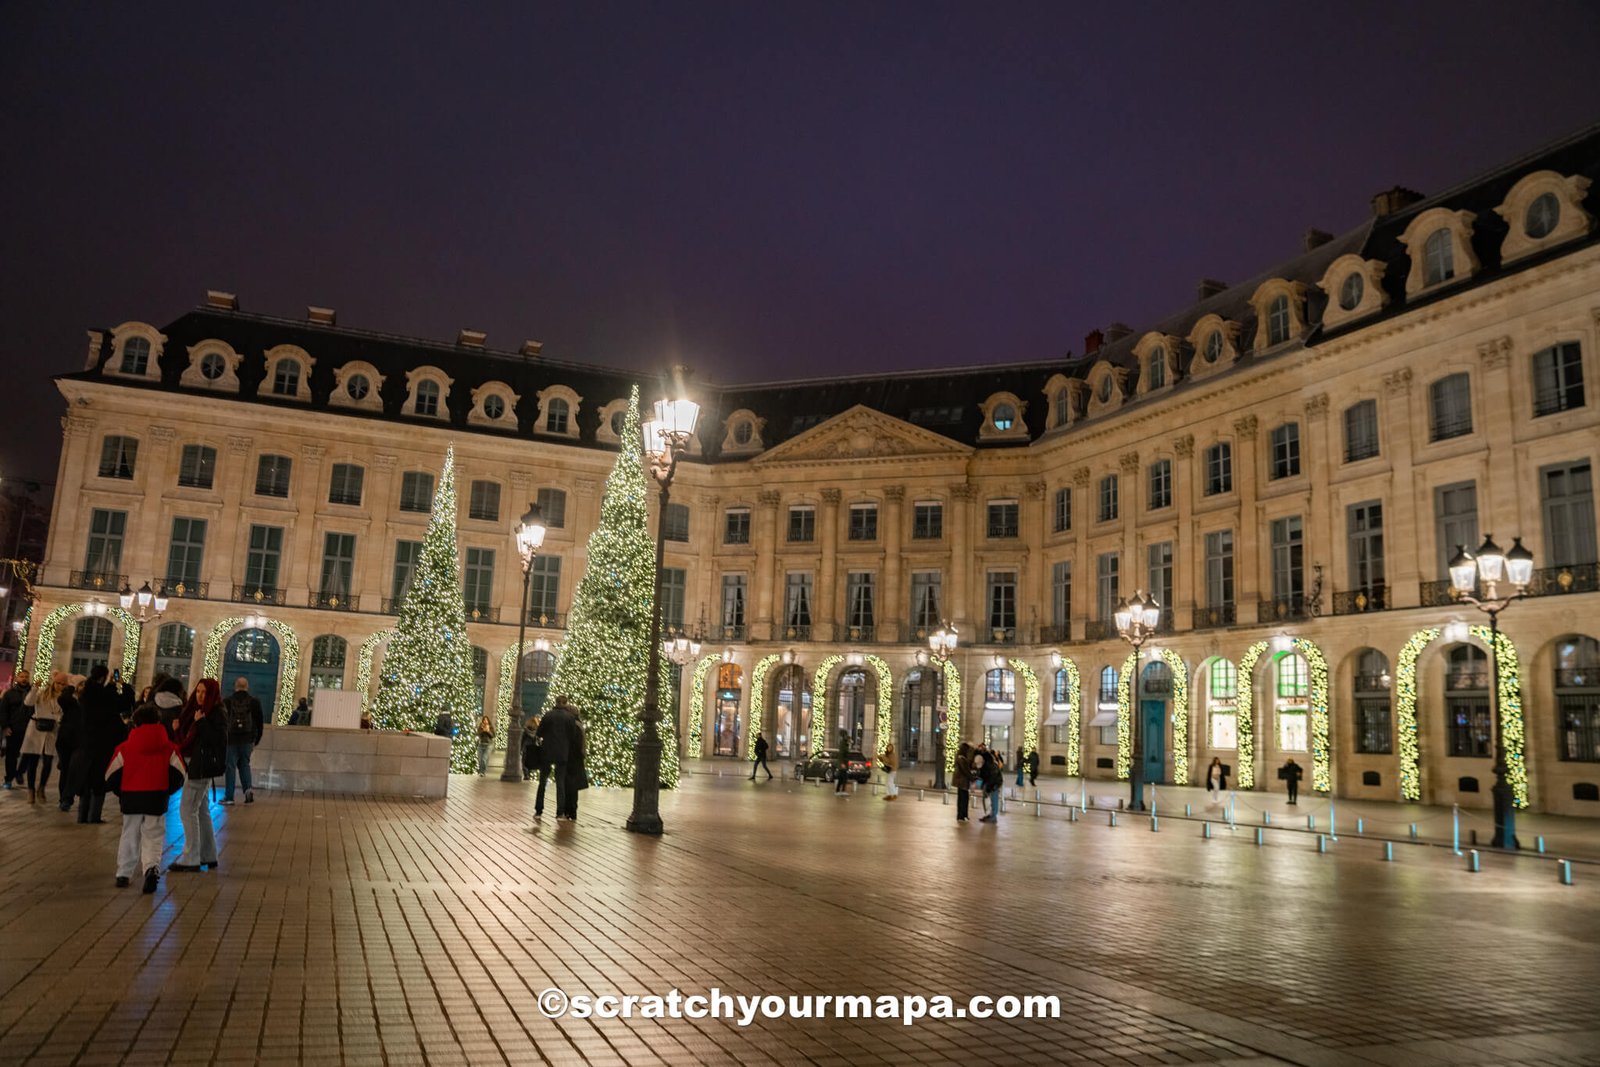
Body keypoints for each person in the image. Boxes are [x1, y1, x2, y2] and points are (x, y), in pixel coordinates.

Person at [105, 704, 186, 893]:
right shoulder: (169, 747)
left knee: (129, 833)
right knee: (154, 835)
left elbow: (110, 775)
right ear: (158, 722)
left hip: (131, 796)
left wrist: (121, 791)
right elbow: (180, 773)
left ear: (135, 724)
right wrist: (167, 789)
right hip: (157, 796)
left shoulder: (124, 747)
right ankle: (151, 868)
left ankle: (123, 873)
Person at [171, 678, 226, 872]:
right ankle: (208, 855)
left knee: (187, 810)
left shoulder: (216, 713)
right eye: (198, 691)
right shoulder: (200, 712)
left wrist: (201, 722)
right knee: (201, 811)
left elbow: (216, 741)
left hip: (201, 768)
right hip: (196, 765)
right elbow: (186, 743)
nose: (200, 696)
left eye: (204, 692)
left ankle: (191, 857)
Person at [73, 665, 131, 823]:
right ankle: (94, 816)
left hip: (87, 742)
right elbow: (125, 702)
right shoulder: (106, 694)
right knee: (99, 779)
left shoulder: (86, 693)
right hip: (103, 742)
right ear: (104, 677)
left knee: (86, 777)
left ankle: (82, 816)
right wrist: (119, 683)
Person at [18, 671, 68, 804]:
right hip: (36, 729)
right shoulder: (42, 693)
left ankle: (41, 788)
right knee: (32, 762)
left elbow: (64, 714)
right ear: (53, 682)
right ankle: (30, 790)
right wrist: (34, 688)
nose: (60, 686)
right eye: (58, 683)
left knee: (47, 762)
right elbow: (28, 702)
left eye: (63, 684)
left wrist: (57, 718)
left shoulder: (65, 697)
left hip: (52, 731)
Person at [221, 677, 264, 804]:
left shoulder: (227, 701)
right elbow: (259, 722)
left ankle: (229, 797)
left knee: (230, 767)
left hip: (231, 739)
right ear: (247, 687)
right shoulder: (254, 702)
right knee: (245, 764)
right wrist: (256, 739)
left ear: (236, 686)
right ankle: (248, 790)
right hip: (247, 739)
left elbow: (223, 722)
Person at [536, 696, 580, 822]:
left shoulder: (548, 715)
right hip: (562, 754)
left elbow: (539, 733)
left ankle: (539, 810)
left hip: (547, 752)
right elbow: (572, 736)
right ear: (566, 704)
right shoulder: (570, 718)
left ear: (555, 703)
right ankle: (560, 812)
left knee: (542, 782)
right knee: (560, 783)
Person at [54, 675, 85, 810]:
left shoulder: (88, 701)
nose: (82, 686)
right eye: (81, 684)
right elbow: (62, 698)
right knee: (65, 770)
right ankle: (64, 799)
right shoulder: (70, 701)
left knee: (73, 769)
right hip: (65, 740)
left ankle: (68, 798)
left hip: (80, 741)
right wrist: (71, 685)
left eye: (84, 684)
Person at [2, 669, 31, 788]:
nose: (24, 679)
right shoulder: (9, 694)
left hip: (30, 729)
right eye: (22, 676)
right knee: (11, 755)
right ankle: (9, 778)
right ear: (17, 678)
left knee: (28, 754)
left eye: (26, 677)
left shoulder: (33, 692)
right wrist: (5, 726)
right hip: (14, 729)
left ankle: (20, 773)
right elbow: (3, 711)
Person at [563, 715, 588, 823]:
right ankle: (572, 810)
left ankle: (569, 810)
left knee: (569, 785)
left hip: (571, 759)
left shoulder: (573, 726)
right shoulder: (580, 725)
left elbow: (573, 744)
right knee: (573, 787)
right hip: (577, 760)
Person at [979, 744, 1003, 823]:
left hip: (994, 785)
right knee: (990, 801)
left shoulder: (990, 765)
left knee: (994, 800)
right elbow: (985, 777)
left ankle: (993, 817)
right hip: (991, 784)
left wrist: (990, 787)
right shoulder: (986, 765)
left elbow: (993, 777)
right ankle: (990, 815)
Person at [952, 742, 974, 822]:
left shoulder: (960, 757)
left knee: (962, 798)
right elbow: (965, 771)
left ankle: (962, 815)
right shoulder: (962, 759)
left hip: (961, 782)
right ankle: (962, 816)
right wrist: (972, 778)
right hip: (962, 782)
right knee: (964, 799)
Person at [834, 729, 851, 796]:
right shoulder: (843, 743)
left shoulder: (845, 743)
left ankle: (838, 790)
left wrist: (848, 743)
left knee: (841, 778)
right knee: (844, 778)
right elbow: (841, 754)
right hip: (843, 764)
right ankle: (842, 790)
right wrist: (842, 763)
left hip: (844, 763)